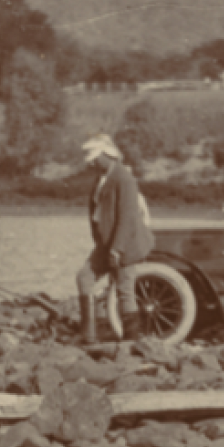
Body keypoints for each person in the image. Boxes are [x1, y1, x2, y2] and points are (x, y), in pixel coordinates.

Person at [76, 134, 153, 345]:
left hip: (125, 244)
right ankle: (89, 336)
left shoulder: (124, 178)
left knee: (124, 290)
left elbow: (127, 217)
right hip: (107, 243)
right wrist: (101, 243)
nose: (91, 162)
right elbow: (96, 213)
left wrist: (117, 249)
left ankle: (130, 341)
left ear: (106, 154)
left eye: (94, 157)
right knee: (84, 277)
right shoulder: (101, 178)